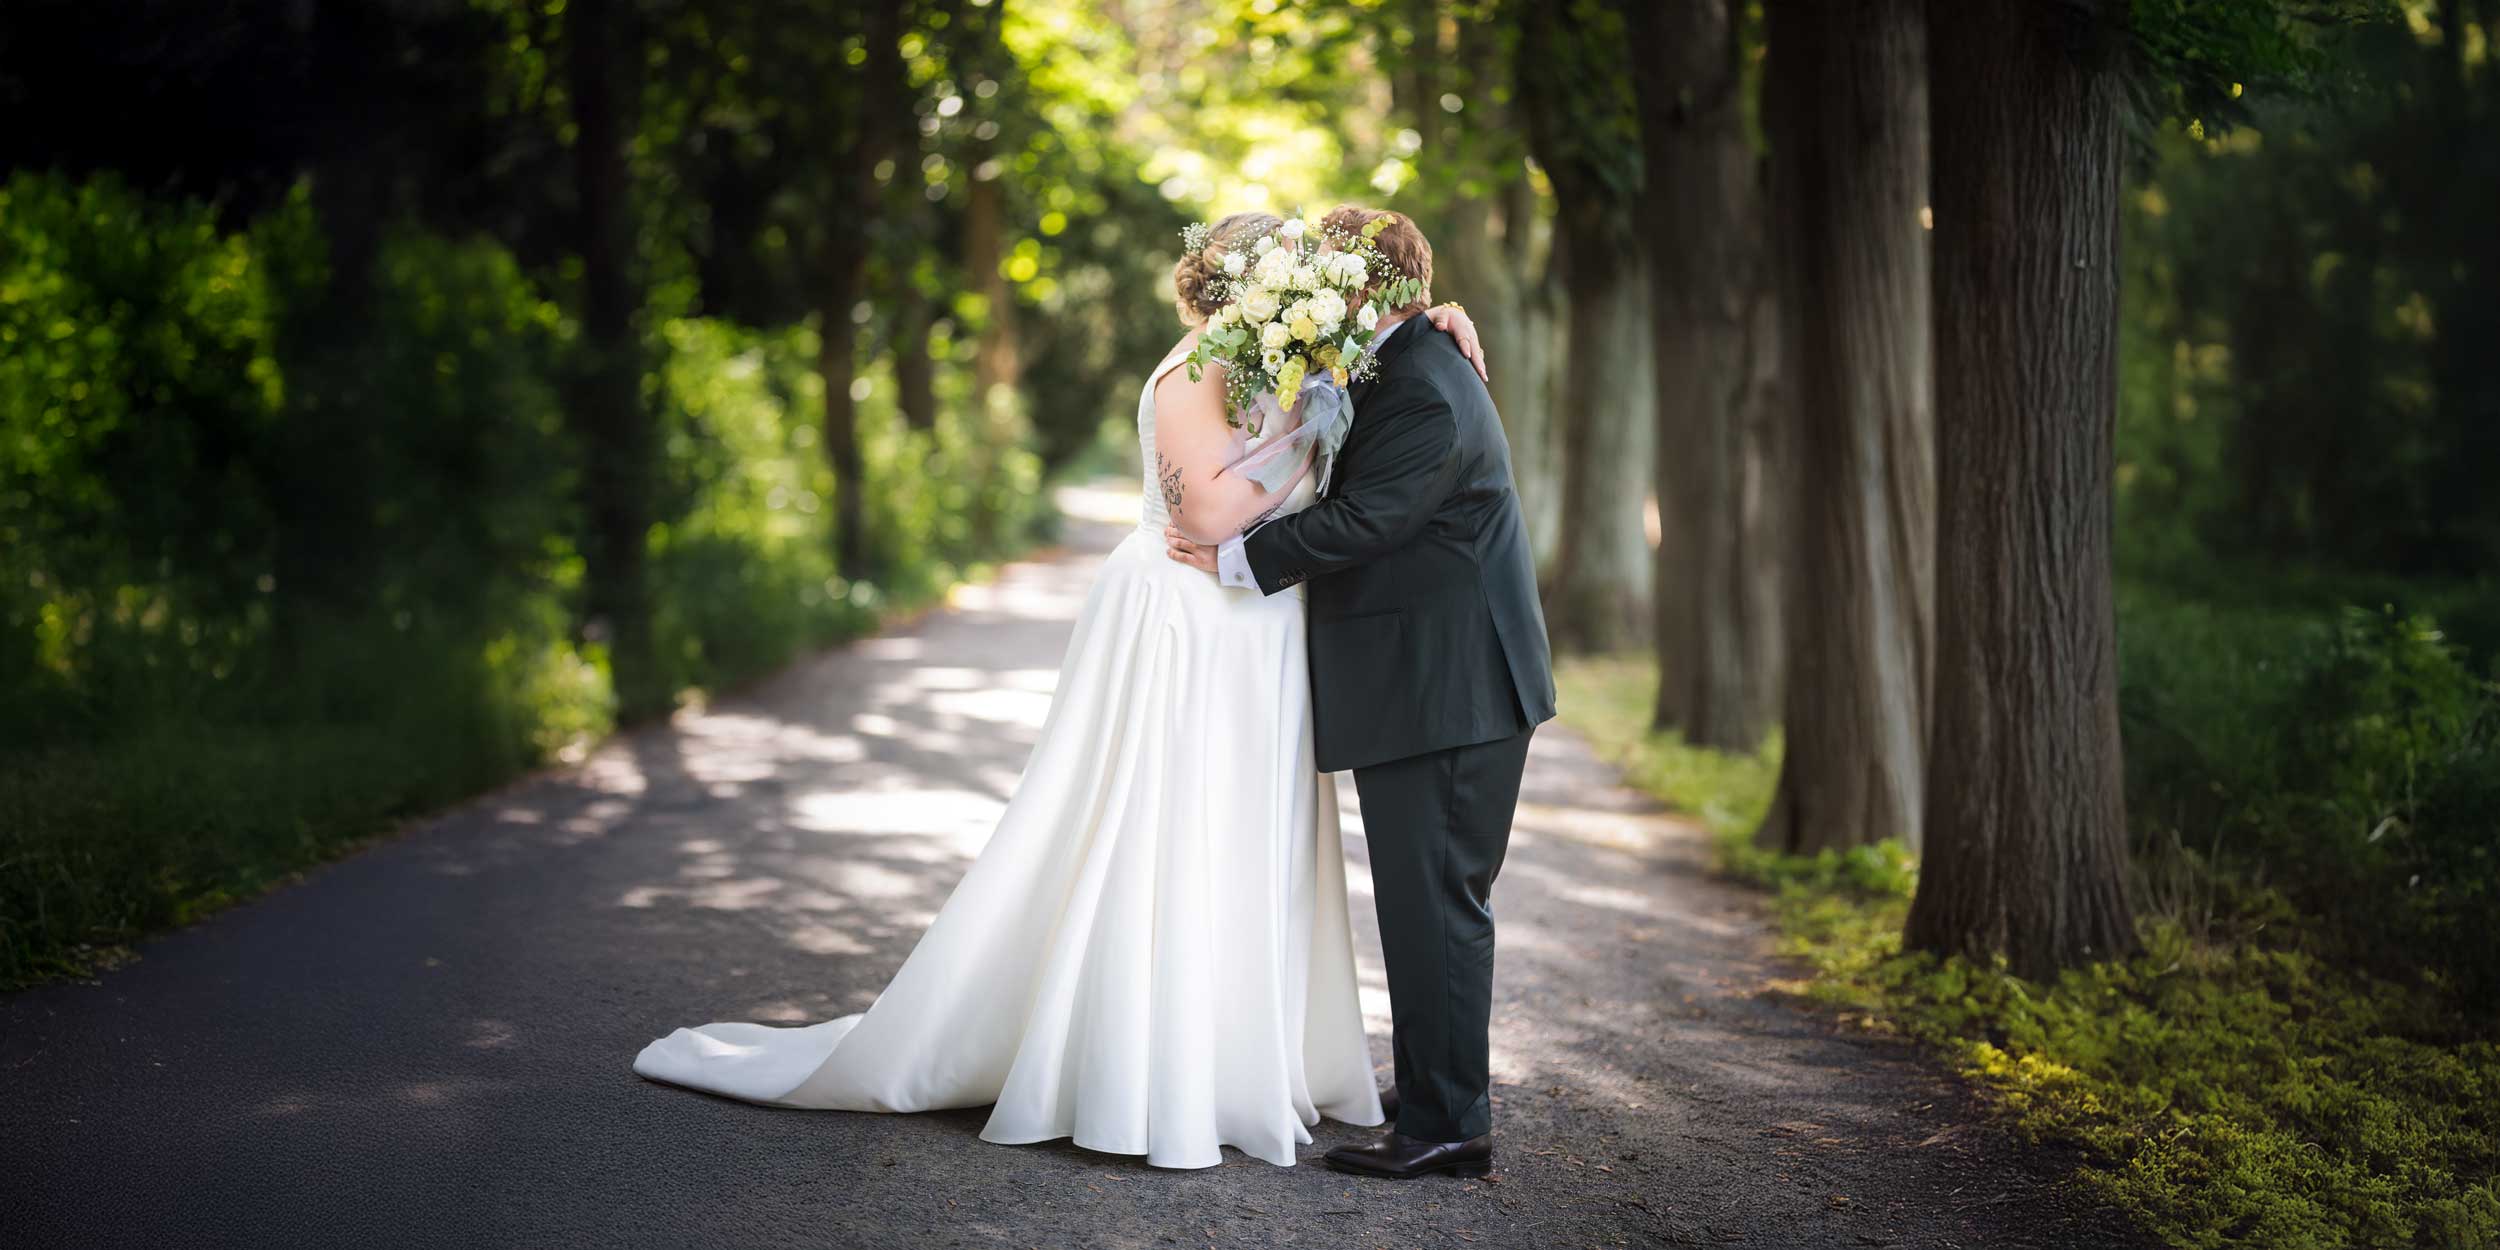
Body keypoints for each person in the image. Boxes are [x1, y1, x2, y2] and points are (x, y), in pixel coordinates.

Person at [630, 210, 1495, 1171]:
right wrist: (1307, 448)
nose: (1315, 288)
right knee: (1164, 829)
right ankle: (1143, 1064)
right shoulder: (1198, 366)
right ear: (1252, 288)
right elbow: (1204, 512)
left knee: (1247, 838)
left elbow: (1371, 401)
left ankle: (1245, 1054)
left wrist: (1422, 325)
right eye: (1295, 271)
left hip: (1253, 630)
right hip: (1189, 619)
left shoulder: (1295, 368)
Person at [1167, 205, 1555, 1181]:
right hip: (1430, 683)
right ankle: (1434, 1082)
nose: (1313, 295)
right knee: (1424, 902)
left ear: (1365, 289)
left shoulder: (1422, 383)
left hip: (1450, 687)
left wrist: (1233, 557)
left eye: (1327, 275)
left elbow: (1368, 519)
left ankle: (1447, 1123)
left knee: (1437, 903)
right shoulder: (1407, 359)